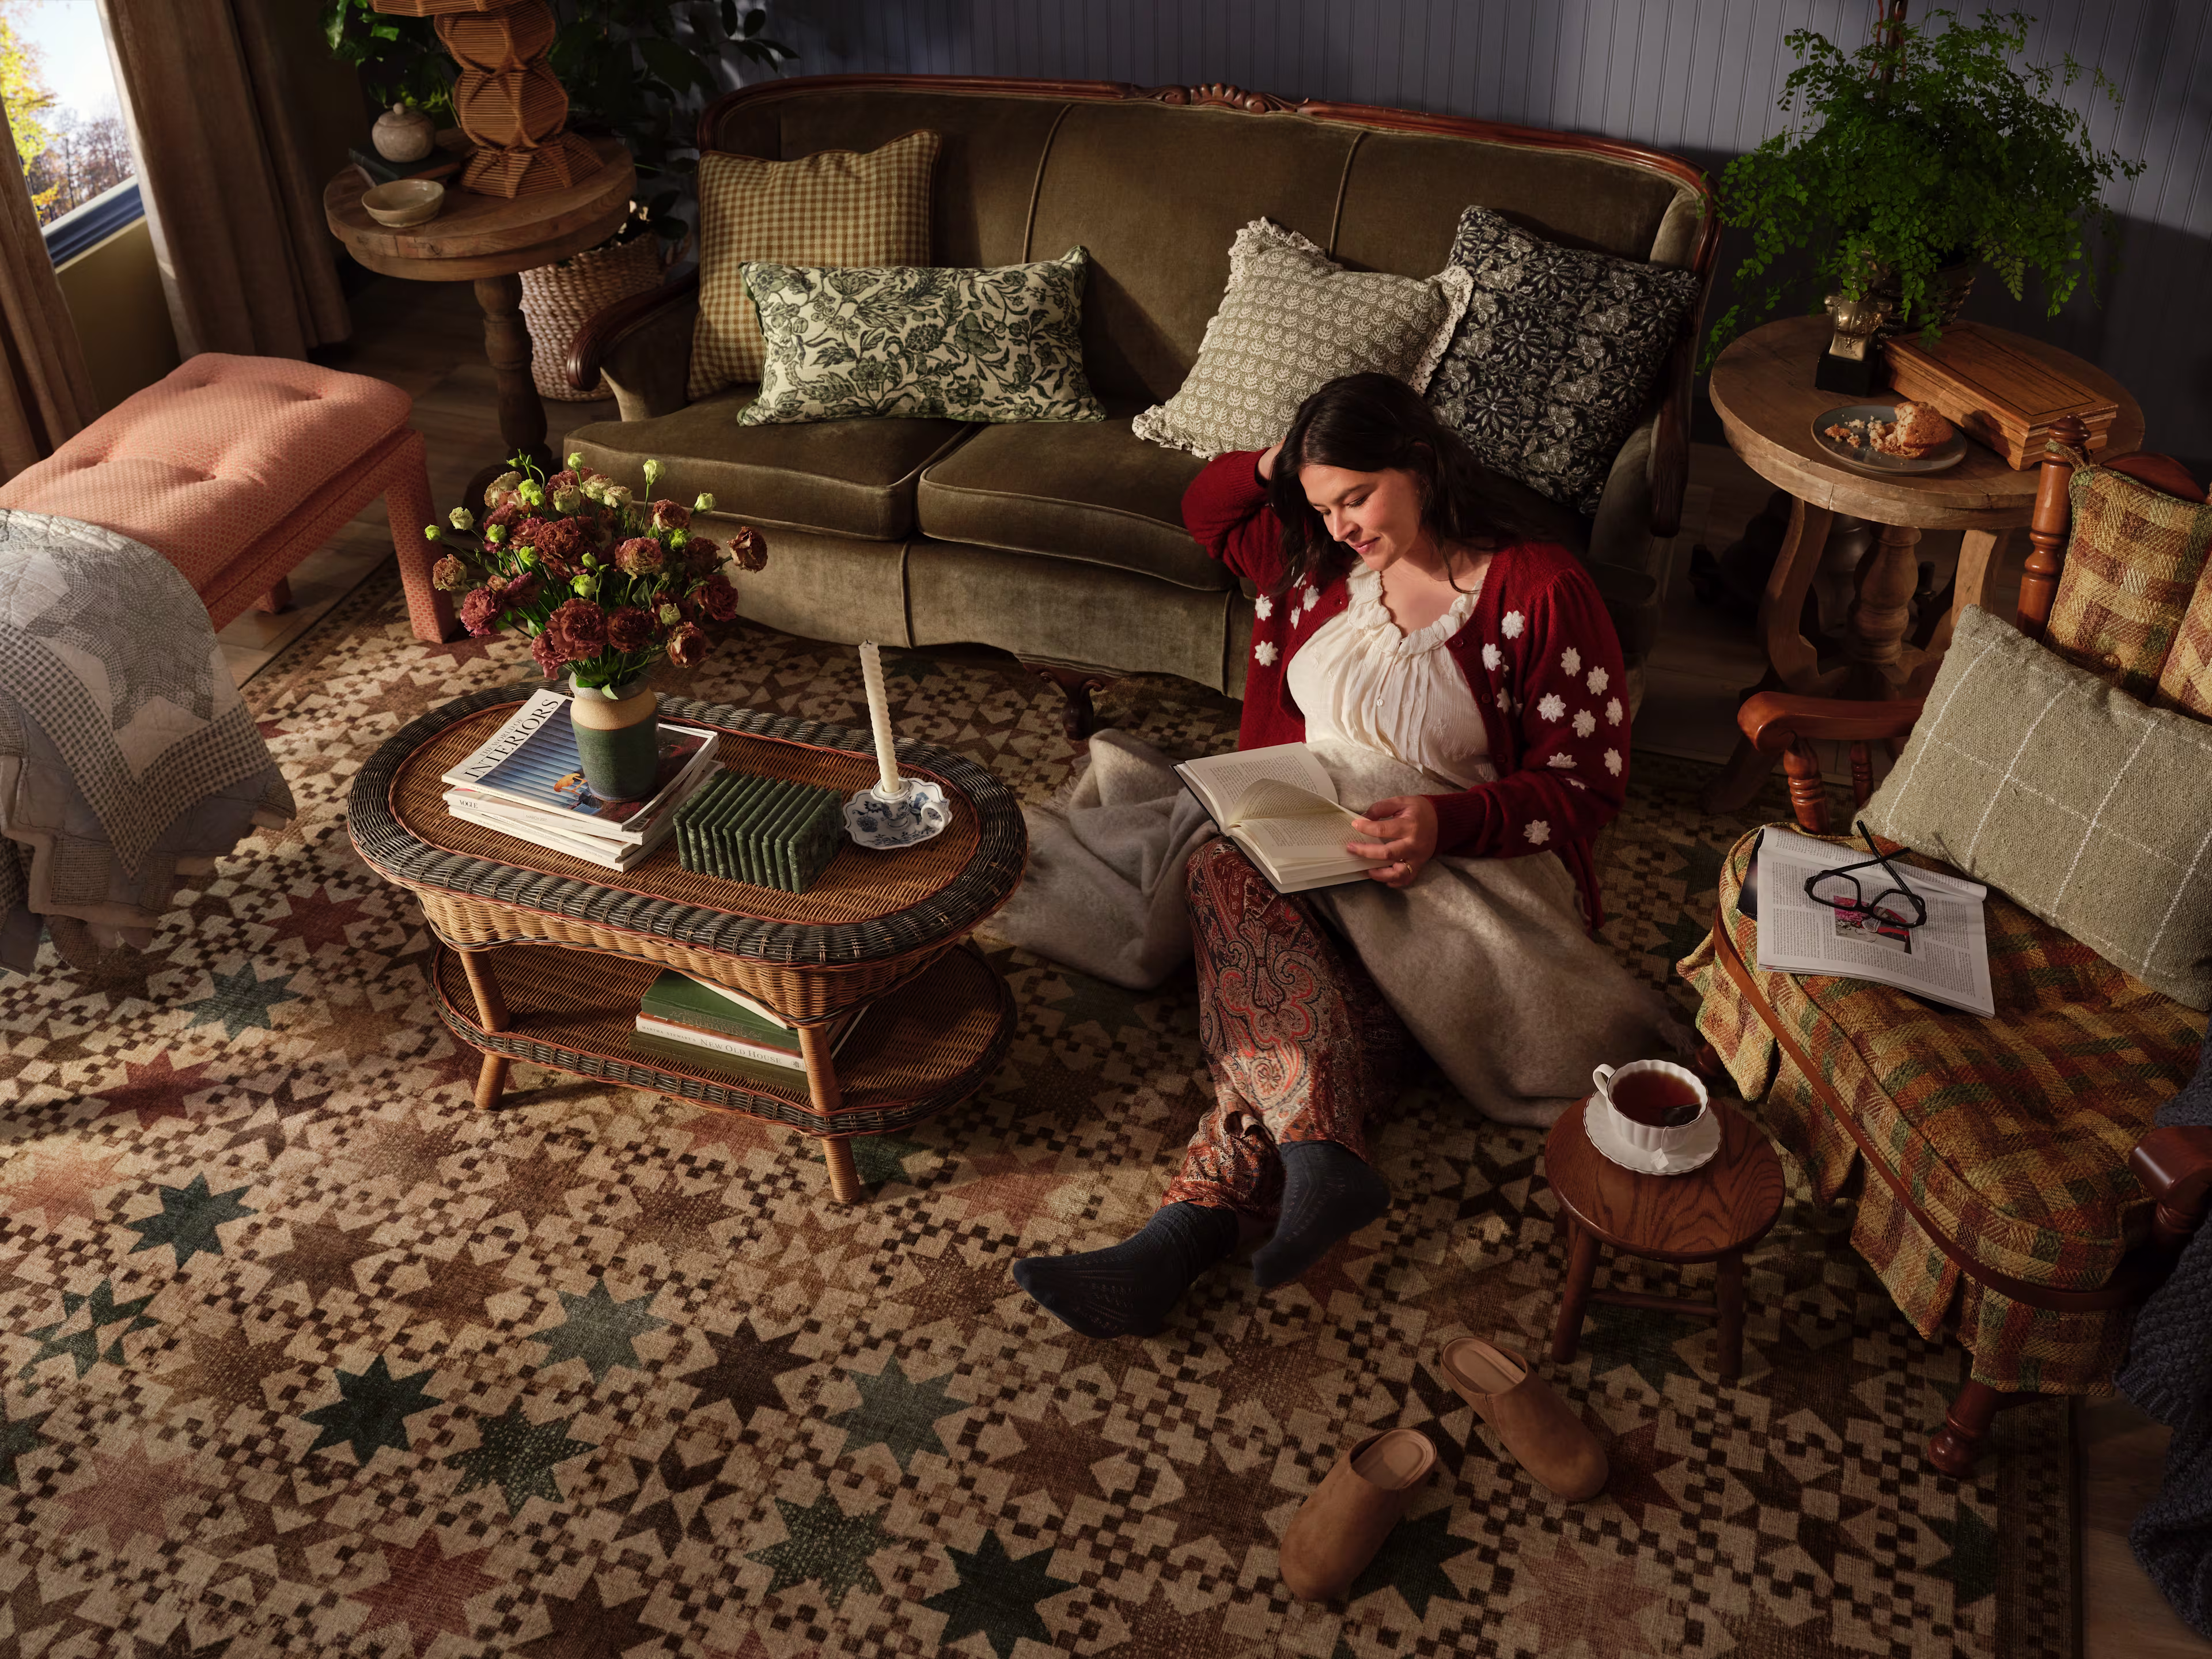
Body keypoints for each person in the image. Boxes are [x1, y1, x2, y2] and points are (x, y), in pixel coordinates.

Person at [1013, 373, 1636, 1340]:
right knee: (1227, 879)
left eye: (1358, 496)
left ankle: (1184, 1231)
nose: (1342, 526)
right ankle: (1312, 1162)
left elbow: (1588, 786)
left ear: (1421, 462)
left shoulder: (1538, 590)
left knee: (1299, 1010)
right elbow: (1207, 508)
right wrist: (1291, 459)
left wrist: (1446, 825)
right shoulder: (1314, 565)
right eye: (1322, 506)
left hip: (1465, 870)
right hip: (1307, 847)